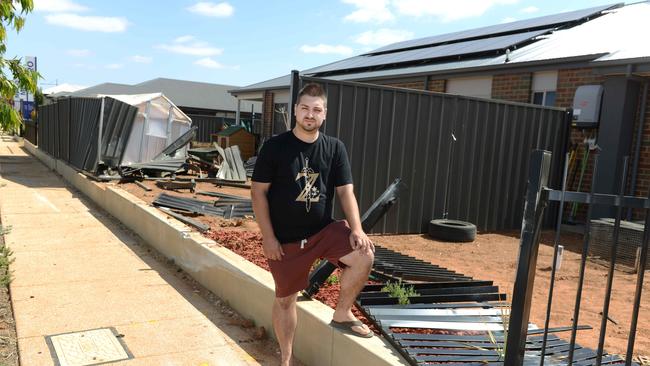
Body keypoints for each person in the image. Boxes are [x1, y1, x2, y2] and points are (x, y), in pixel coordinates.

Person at [251, 83, 375, 366]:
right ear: (295, 110)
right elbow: (258, 192)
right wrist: (268, 237)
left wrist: (356, 228)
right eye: (305, 108)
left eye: (316, 110)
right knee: (285, 300)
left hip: (322, 231)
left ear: (325, 114)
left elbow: (346, 191)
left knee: (364, 254)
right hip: (285, 241)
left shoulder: (334, 148)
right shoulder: (275, 147)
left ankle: (342, 313)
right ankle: (285, 359)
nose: (310, 114)